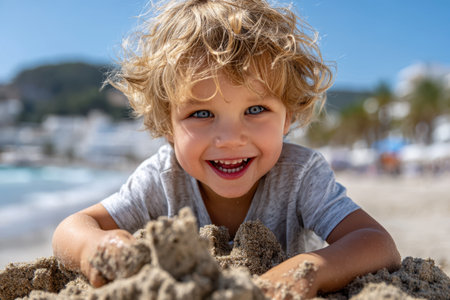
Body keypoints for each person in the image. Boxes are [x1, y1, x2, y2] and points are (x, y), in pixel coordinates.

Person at [52, 0, 400, 297]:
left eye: (255, 110)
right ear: (167, 125)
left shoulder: (300, 175)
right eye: (201, 113)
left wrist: (307, 269)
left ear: (287, 117)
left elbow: (377, 243)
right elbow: (73, 226)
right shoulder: (163, 178)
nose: (230, 138)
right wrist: (94, 248)